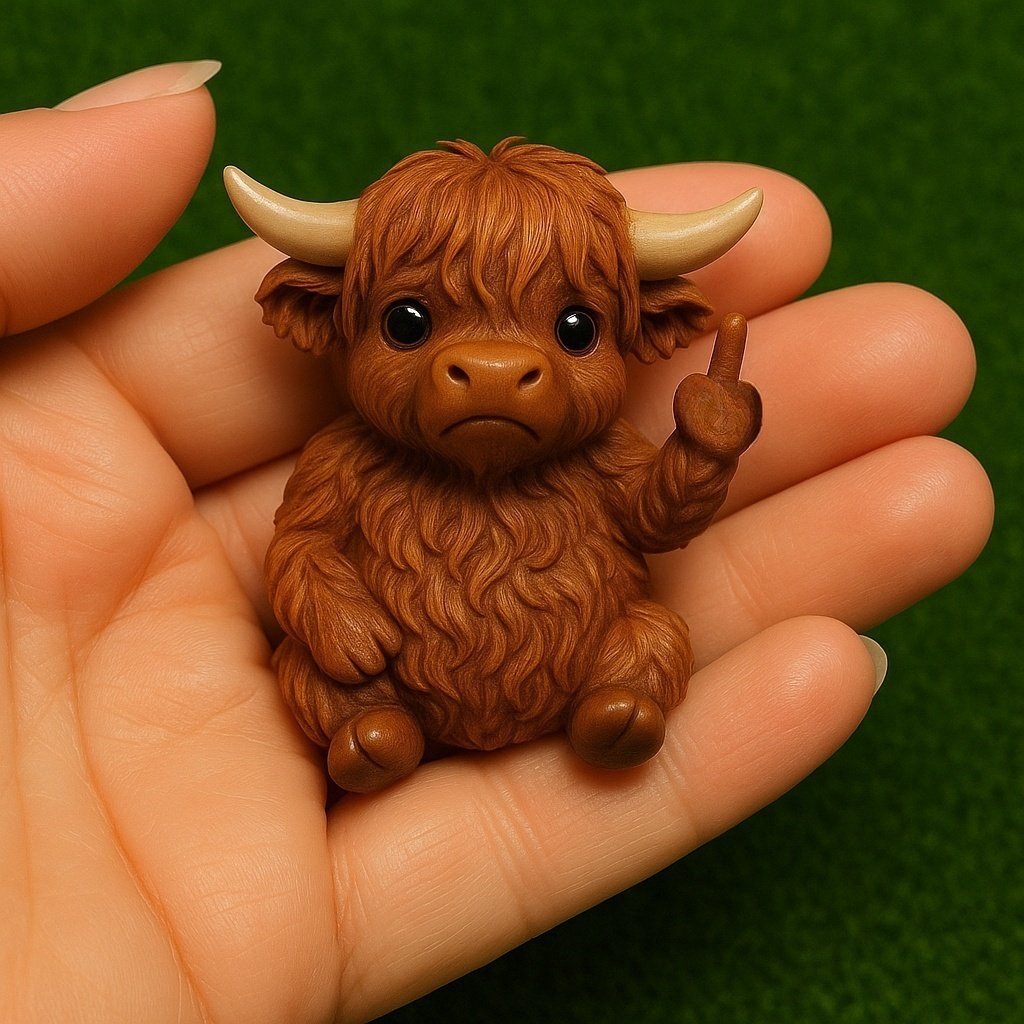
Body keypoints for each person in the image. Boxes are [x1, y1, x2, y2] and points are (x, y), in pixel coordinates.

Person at [0, 61, 993, 1024]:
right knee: (310, 668)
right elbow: (300, 549)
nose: (490, 365)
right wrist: (327, 605)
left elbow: (660, 523)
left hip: (575, 663)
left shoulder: (603, 455)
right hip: (396, 681)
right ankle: (370, 730)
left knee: (650, 636)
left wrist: (699, 450)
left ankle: (616, 707)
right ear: (324, 316)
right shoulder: (346, 460)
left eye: (571, 329)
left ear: (643, 333)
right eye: (410, 323)